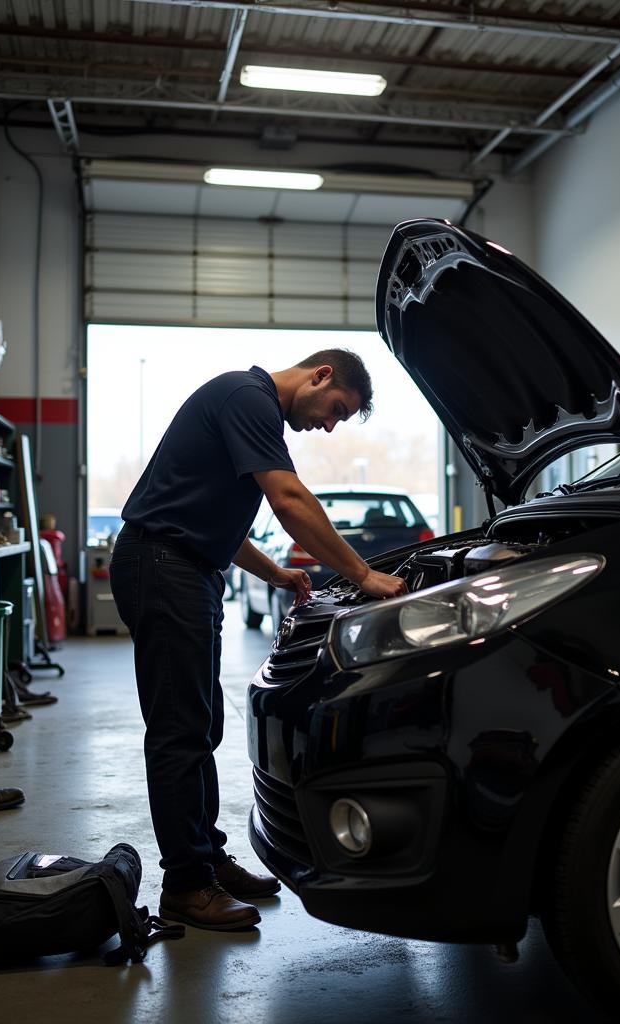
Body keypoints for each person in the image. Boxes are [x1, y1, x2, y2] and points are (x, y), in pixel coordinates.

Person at [109, 349, 408, 932]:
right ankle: (187, 885)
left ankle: (208, 861)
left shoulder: (244, 404)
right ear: (320, 376)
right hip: (163, 566)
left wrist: (272, 571)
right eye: (335, 410)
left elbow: (212, 516)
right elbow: (289, 499)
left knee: (202, 724)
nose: (327, 425)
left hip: (186, 567)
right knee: (179, 731)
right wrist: (364, 575)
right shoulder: (249, 399)